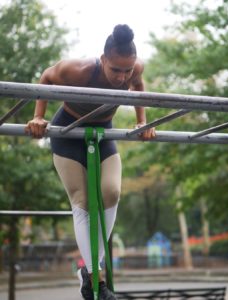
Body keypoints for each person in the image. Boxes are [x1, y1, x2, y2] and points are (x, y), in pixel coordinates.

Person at [26, 24, 155, 300]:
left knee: (112, 191)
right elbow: (46, 77)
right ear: (103, 59)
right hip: (68, 130)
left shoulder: (136, 69)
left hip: (103, 130)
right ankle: (94, 276)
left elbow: (138, 87)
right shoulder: (80, 70)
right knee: (82, 199)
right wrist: (38, 116)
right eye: (116, 70)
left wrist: (142, 122)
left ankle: (86, 272)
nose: (122, 77)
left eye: (127, 70)